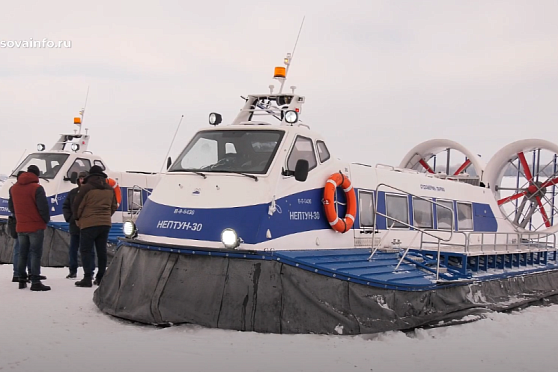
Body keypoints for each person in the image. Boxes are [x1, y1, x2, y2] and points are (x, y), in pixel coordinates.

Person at [73, 165, 117, 287]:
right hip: (105, 223)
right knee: (101, 250)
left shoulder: (86, 188)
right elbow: (114, 206)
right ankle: (101, 277)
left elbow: (77, 205)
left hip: (88, 223)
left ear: (90, 175)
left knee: (86, 250)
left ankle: (87, 278)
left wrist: (78, 218)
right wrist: (106, 215)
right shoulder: (109, 188)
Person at [8, 165, 51, 291]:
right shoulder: (37, 188)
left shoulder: (13, 188)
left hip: (21, 225)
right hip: (36, 225)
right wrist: (45, 220)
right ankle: (35, 281)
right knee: (35, 254)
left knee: (22, 253)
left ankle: (21, 280)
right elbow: (43, 208)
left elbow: (11, 207)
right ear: (37, 175)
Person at [62, 171, 96, 279]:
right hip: (74, 225)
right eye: (80, 179)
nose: (82, 181)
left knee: (89, 249)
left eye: (84, 178)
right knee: (73, 249)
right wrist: (70, 218)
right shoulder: (73, 192)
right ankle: (72, 270)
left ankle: (90, 271)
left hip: (88, 225)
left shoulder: (92, 193)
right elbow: (66, 206)